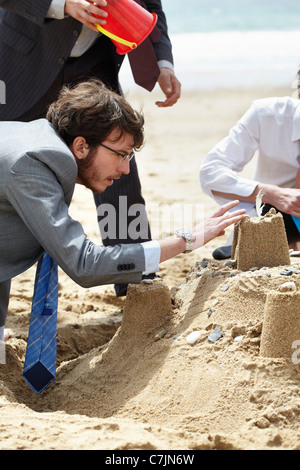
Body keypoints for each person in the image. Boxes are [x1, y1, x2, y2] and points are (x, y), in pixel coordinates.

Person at [0, 79, 246, 343]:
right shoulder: (32, 164)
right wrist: (186, 240)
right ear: (81, 146)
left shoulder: (33, 138)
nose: (126, 169)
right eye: (120, 154)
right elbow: (85, 264)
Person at [0, 0, 181, 296]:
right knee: (4, 162)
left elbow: (150, 7)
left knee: (120, 171)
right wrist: (62, 4)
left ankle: (138, 287)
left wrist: (162, 63)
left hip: (94, 67)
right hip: (22, 62)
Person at [200, 95, 300, 260]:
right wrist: (274, 194)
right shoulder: (266, 115)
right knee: (241, 255)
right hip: (270, 212)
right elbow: (210, 172)